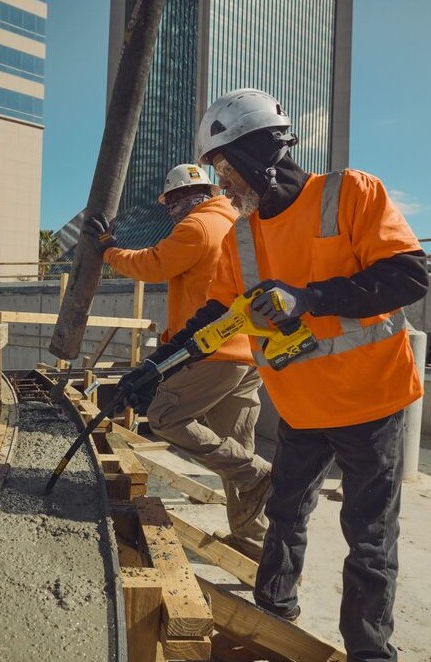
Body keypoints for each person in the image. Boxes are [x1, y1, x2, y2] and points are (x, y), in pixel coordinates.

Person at [115, 88, 428, 662]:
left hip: (372, 401)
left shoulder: (350, 193)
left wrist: (308, 297)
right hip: (303, 408)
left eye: (226, 170)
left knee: (369, 540)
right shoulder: (241, 235)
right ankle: (271, 621)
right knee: (283, 513)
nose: (224, 185)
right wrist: (154, 369)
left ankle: (370, 653)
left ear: (259, 152)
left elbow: (409, 275)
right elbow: (214, 316)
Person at [83, 163, 272, 561]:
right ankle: (253, 543)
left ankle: (261, 473)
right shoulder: (237, 221)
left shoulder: (197, 226)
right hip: (248, 352)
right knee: (234, 450)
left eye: (170, 203)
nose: (169, 211)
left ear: (184, 198)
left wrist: (108, 249)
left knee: (167, 417)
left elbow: (152, 264)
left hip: (213, 349)